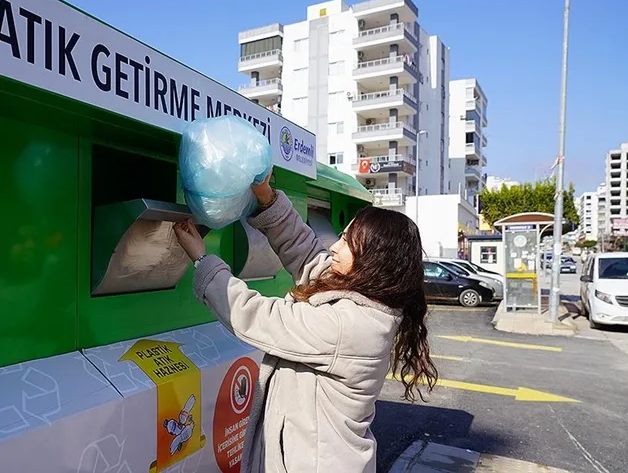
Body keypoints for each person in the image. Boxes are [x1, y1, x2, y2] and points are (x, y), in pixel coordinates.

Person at [173, 173, 437, 473]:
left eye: (348, 242)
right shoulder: (366, 300)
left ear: (373, 260)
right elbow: (308, 254)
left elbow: (258, 317)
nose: (334, 247)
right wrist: (266, 196)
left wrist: (202, 260)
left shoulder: (348, 326)